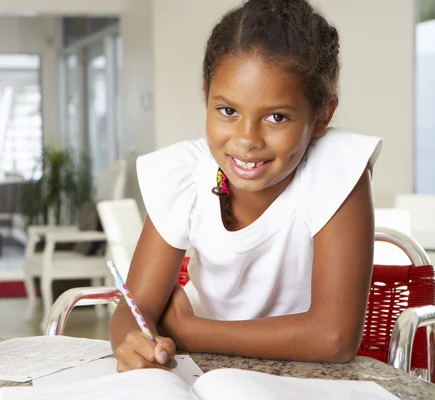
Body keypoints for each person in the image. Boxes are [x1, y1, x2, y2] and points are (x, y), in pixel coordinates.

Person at [110, 0, 382, 372]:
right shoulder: (186, 174)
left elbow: (333, 337)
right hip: (196, 375)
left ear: (322, 115)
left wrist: (189, 330)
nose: (247, 139)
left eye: (276, 117)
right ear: (205, 95)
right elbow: (136, 308)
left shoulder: (338, 170)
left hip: (305, 381)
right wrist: (133, 343)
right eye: (228, 111)